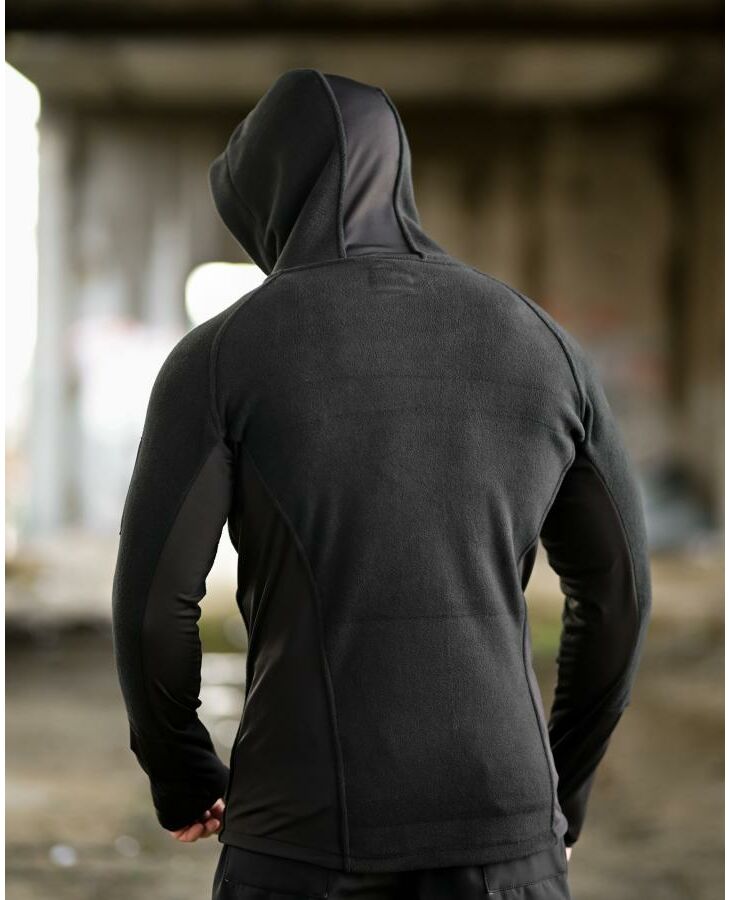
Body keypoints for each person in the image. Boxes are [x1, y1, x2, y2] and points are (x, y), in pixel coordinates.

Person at [111, 69, 652, 900]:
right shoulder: (542, 343)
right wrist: (559, 793)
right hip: (505, 827)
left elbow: (155, 605)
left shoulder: (221, 355)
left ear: (269, 196)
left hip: (299, 829)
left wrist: (180, 772)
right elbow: (619, 599)